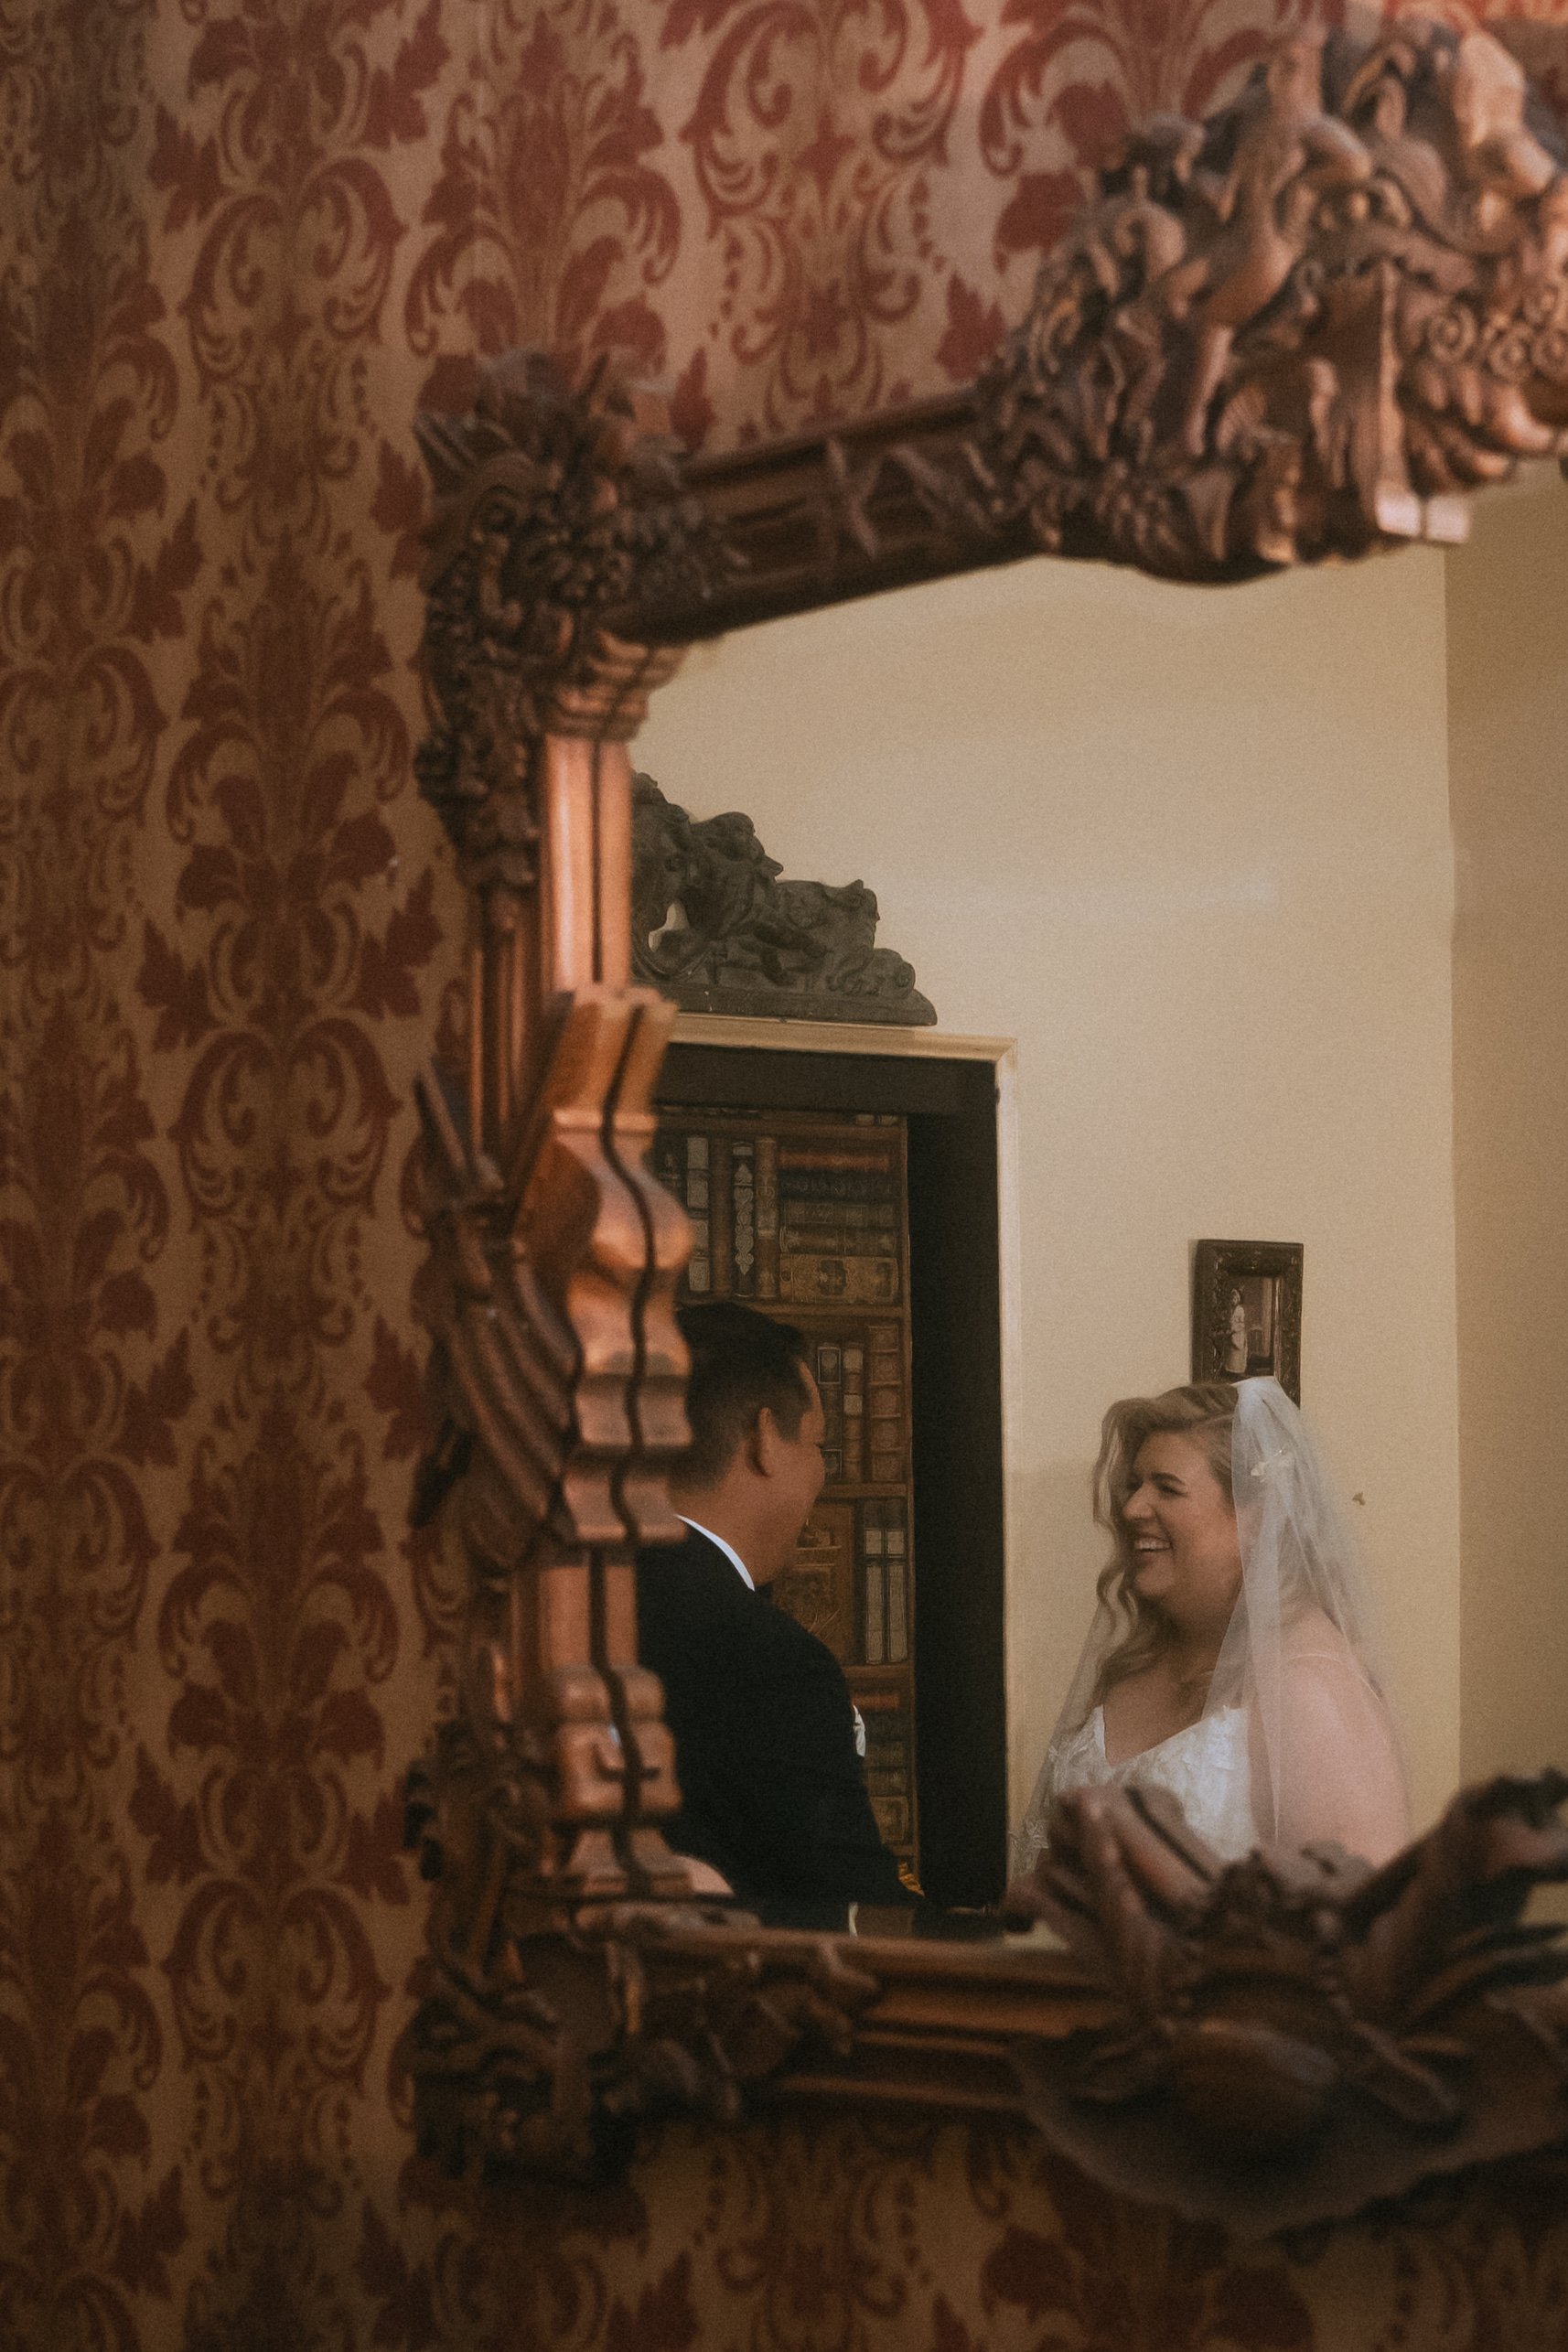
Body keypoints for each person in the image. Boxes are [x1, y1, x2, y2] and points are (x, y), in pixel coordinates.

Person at [1014, 1377, 1409, 1874]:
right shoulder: (1136, 1665)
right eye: (1136, 1484)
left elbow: (1357, 1920)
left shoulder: (1311, 1689)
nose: (1133, 1508)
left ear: (1257, 1518)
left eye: (1167, 1488)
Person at [637, 1301, 910, 1923]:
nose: (821, 1474)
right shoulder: (770, 1659)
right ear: (763, 1439)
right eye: (817, 1443)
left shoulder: (579, 1598)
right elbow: (846, 1903)